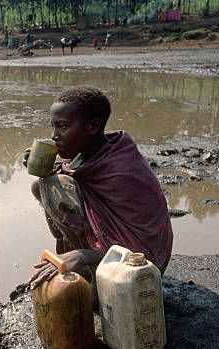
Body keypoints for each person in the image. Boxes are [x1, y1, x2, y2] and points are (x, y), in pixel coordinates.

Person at [26, 86, 173, 297]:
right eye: (53, 127)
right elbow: (70, 172)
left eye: (63, 126)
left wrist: (86, 255)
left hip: (139, 269)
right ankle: (77, 260)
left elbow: (144, 252)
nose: (54, 136)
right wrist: (45, 166)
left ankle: (85, 266)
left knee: (51, 186)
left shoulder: (123, 171)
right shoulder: (95, 152)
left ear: (93, 126)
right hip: (111, 247)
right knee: (44, 184)